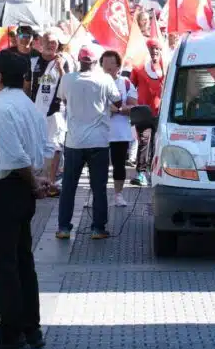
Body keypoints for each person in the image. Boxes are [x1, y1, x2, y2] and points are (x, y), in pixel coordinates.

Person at [0, 50, 48, 349]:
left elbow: (14, 156)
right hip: (18, 189)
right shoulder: (28, 106)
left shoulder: (2, 107)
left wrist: (32, 181)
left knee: (4, 264)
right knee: (21, 261)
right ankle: (30, 328)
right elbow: (38, 151)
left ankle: (11, 334)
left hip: (4, 190)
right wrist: (37, 180)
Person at [55, 46, 122, 240]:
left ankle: (63, 228)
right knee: (99, 187)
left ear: (78, 60)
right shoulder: (105, 79)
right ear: (95, 62)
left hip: (74, 141)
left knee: (69, 187)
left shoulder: (67, 79)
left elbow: (63, 100)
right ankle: (98, 228)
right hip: (98, 141)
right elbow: (117, 102)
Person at [29, 28, 73, 194]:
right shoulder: (33, 62)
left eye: (53, 42)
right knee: (35, 147)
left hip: (55, 111)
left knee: (55, 147)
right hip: (35, 110)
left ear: (58, 45)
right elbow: (27, 86)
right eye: (46, 42)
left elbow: (69, 85)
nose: (49, 45)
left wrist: (61, 69)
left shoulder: (64, 61)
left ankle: (52, 183)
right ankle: (37, 182)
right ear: (41, 43)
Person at [101, 50, 137, 207]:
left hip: (120, 133)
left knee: (119, 165)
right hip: (100, 132)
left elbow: (134, 106)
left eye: (111, 64)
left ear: (118, 66)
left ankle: (118, 194)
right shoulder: (96, 82)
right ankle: (95, 195)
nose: (108, 67)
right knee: (97, 165)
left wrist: (120, 109)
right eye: (105, 64)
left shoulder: (126, 83)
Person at [129, 39, 164, 187]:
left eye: (157, 50)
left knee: (157, 142)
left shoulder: (167, 67)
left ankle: (153, 171)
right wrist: (133, 105)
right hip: (144, 111)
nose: (154, 52)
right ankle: (141, 173)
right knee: (144, 141)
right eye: (151, 50)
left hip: (161, 111)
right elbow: (131, 88)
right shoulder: (138, 68)